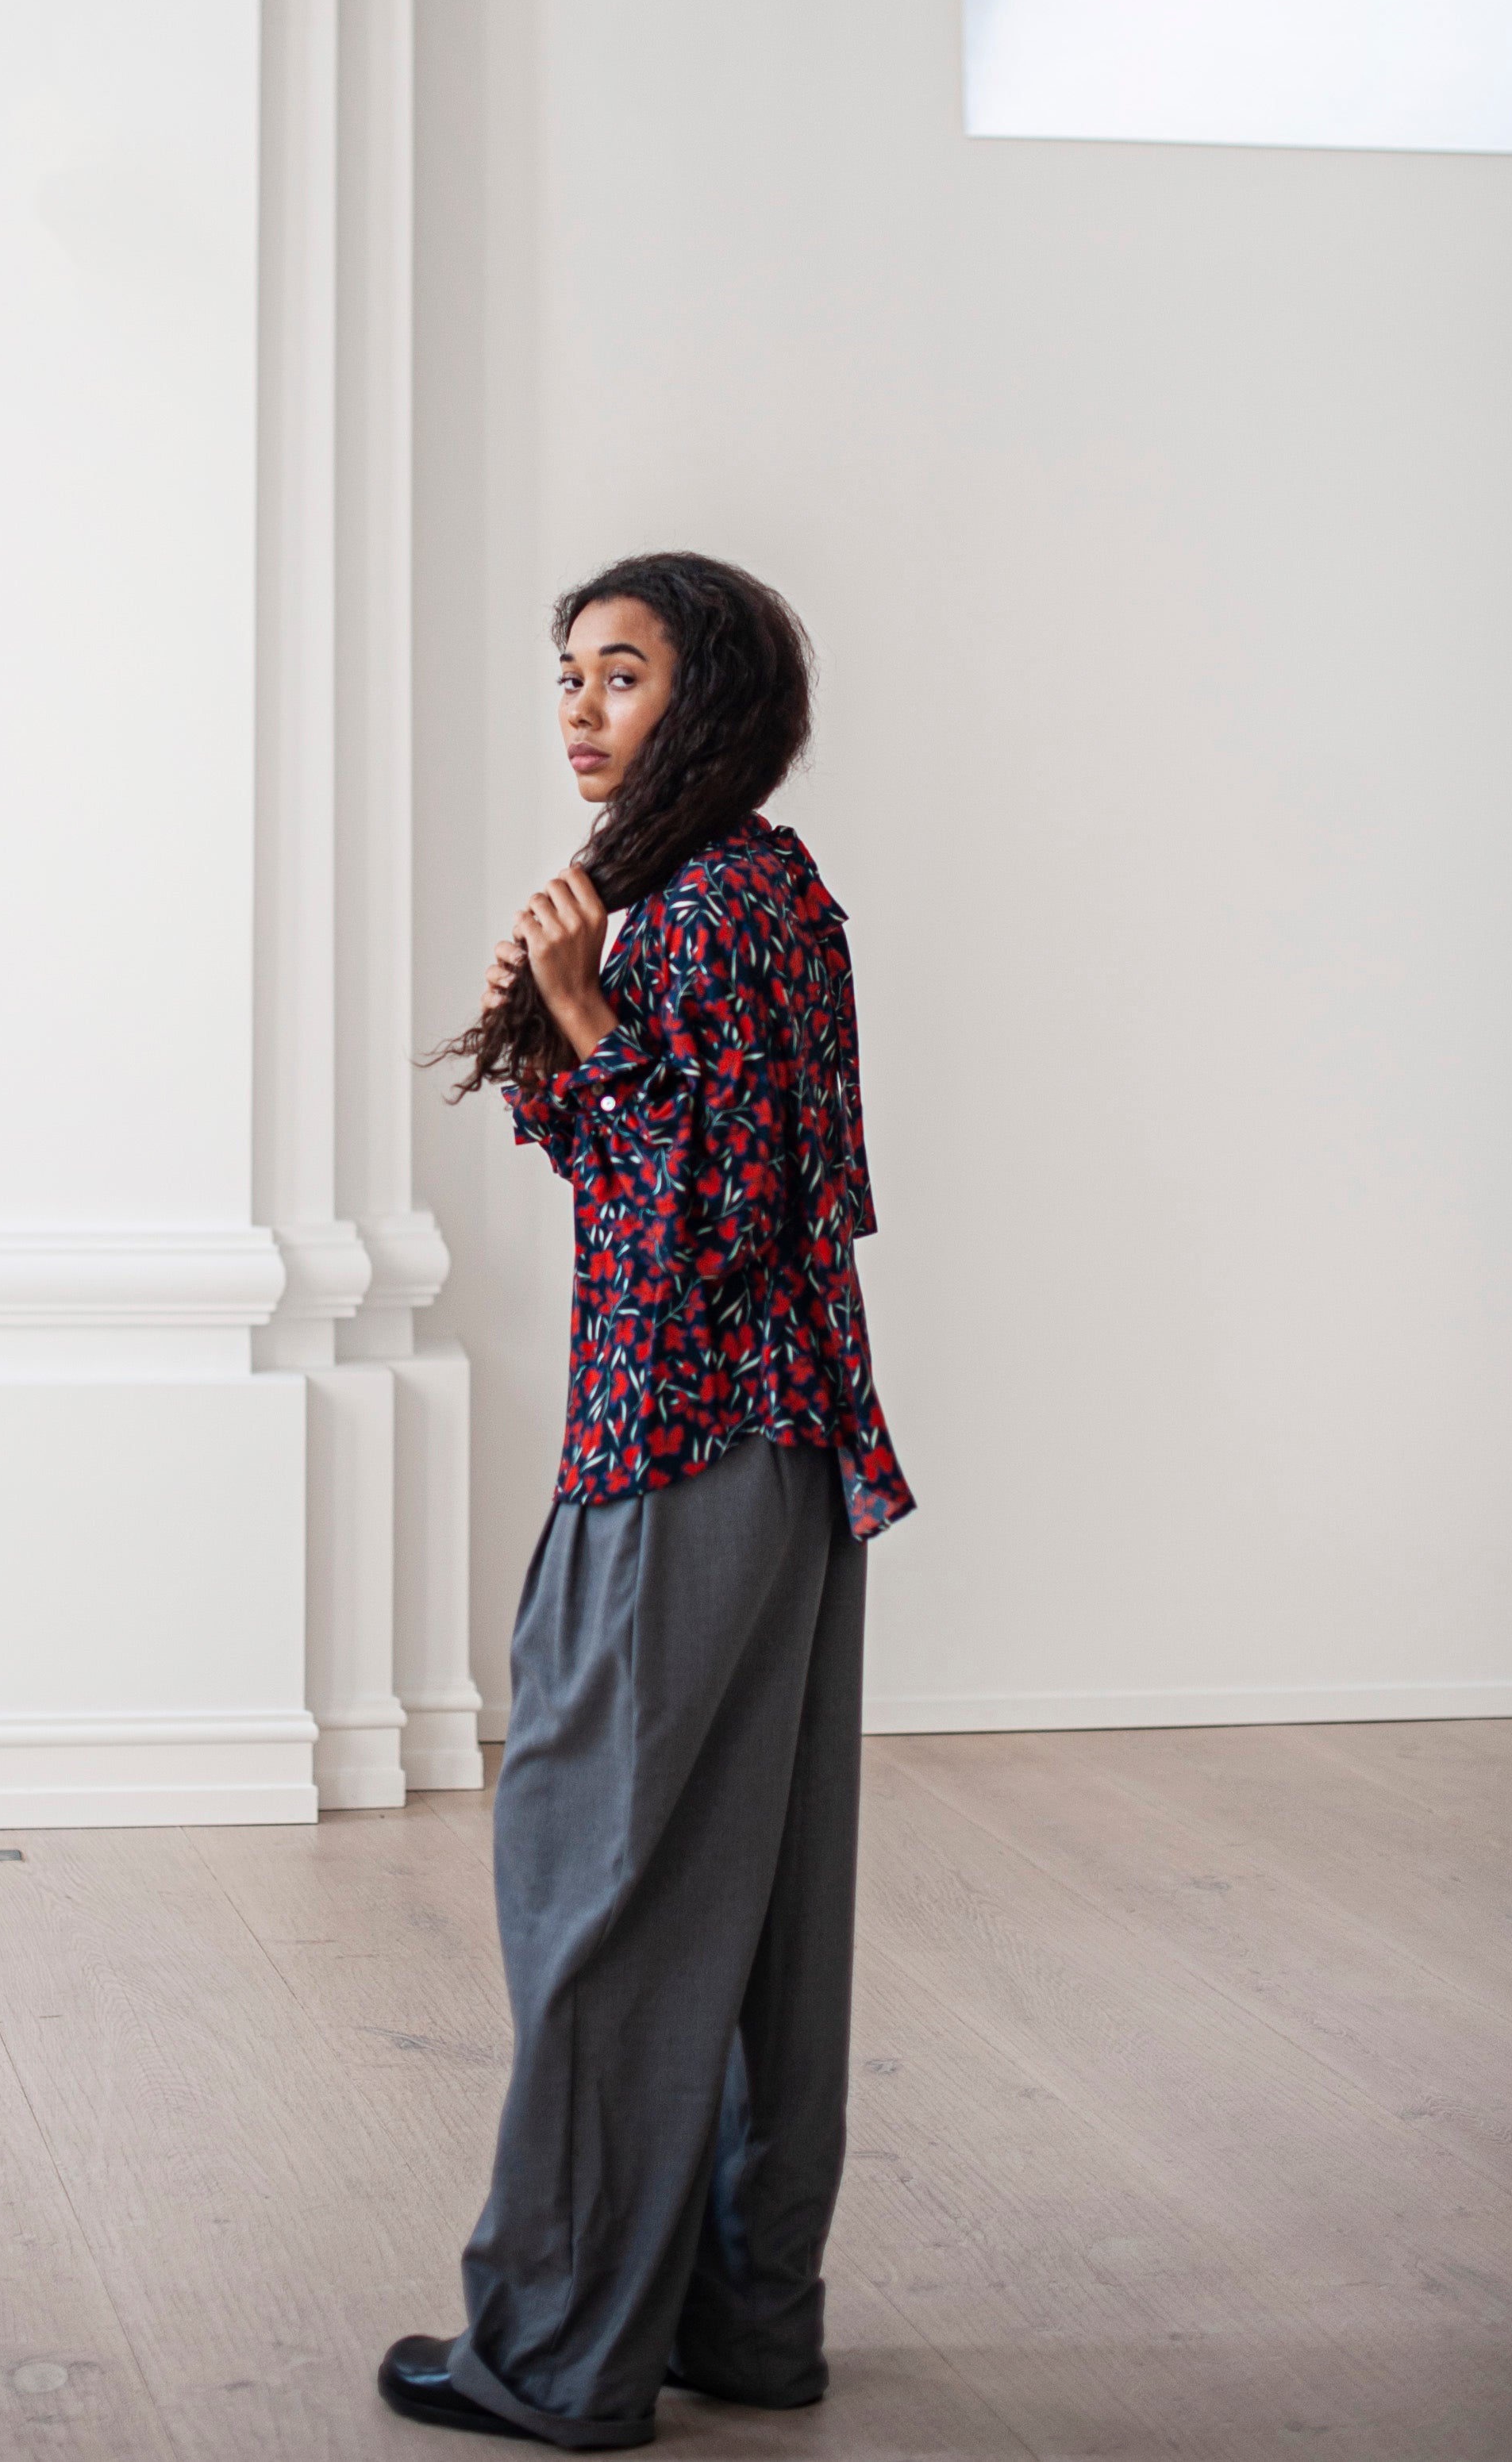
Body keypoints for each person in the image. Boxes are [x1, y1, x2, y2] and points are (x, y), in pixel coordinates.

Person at [378, 551, 914, 2449]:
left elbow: (694, 1226)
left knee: (595, 1894)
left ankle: (555, 2351)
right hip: (776, 1455)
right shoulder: (762, 888)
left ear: (715, 699)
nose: (583, 708)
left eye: (624, 673)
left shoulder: (690, 912)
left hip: (680, 1449)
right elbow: (742, 1189)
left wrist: (586, 1007)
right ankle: (742, 2319)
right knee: (759, 1907)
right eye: (570, 673)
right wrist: (581, 1007)